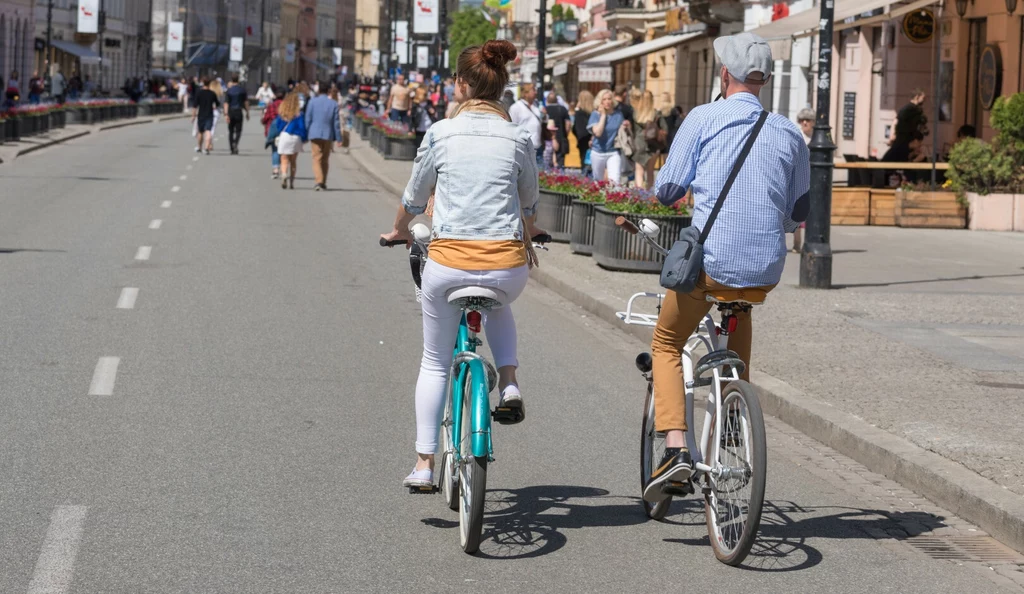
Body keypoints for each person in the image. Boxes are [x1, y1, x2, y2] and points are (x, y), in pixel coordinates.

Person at [646, 32, 810, 501]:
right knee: (741, 308)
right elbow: (798, 212)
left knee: (666, 341)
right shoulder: (787, 132)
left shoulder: (704, 118)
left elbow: (669, 190)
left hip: (711, 263)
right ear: (763, 80)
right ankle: (735, 415)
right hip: (764, 269)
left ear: (724, 75)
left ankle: (676, 446)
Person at [379, 39, 545, 489]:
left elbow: (413, 199)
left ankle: (424, 465)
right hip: (506, 267)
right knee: (499, 301)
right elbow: (529, 203)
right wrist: (529, 227)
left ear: (461, 86)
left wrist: (397, 232)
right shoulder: (518, 137)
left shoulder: (440, 133)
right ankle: (508, 381)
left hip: (448, 263)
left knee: (434, 361)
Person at [304, 82, 342, 191]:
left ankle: (319, 181)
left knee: (316, 158)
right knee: (325, 159)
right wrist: (339, 138)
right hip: (328, 134)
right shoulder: (333, 104)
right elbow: (336, 123)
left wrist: (306, 132)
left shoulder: (312, 102)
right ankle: (323, 181)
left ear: (318, 90)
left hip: (314, 133)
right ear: (329, 91)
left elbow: (308, 118)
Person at [587, 89, 628, 184]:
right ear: (600, 101)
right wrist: (603, 115)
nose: (607, 102)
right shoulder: (595, 114)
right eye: (604, 99)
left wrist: (625, 126)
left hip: (613, 151)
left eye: (609, 99)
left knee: (615, 180)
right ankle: (599, 198)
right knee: (598, 181)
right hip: (598, 151)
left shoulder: (618, 114)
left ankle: (614, 197)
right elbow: (598, 133)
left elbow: (621, 131)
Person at [632, 90, 669, 190]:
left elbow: (633, 130)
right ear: (652, 99)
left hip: (639, 144)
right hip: (653, 144)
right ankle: (648, 195)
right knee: (650, 171)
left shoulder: (636, 114)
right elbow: (665, 129)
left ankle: (639, 194)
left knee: (639, 171)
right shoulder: (656, 114)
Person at [275, 92, 307, 189]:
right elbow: (302, 127)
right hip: (296, 137)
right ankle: (292, 181)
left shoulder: (282, 112)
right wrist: (304, 138)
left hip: (285, 136)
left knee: (284, 158)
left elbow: (278, 126)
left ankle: (284, 174)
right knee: (293, 160)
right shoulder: (299, 114)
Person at [509, 83, 544, 167]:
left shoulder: (537, 106)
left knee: (539, 175)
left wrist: (544, 115)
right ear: (525, 93)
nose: (536, 92)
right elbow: (511, 127)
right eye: (533, 90)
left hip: (538, 147)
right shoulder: (516, 107)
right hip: (524, 148)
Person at [191, 77, 220, 155]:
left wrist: (193, 116)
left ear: (203, 83)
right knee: (208, 131)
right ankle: (206, 148)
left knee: (200, 132)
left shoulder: (199, 93)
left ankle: (199, 147)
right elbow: (217, 104)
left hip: (201, 115)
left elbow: (195, 106)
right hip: (209, 115)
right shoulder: (212, 93)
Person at [263, 88, 286, 178]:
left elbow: (266, 118)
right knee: (284, 150)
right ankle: (283, 169)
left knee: (275, 150)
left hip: (273, 129)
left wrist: (264, 121)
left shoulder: (271, 105)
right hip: (285, 129)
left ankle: (275, 170)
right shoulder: (286, 105)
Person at [224, 75, 250, 155]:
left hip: (231, 111)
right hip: (239, 111)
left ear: (231, 80)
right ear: (238, 80)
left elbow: (226, 103)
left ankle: (232, 148)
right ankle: (235, 142)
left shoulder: (229, 91)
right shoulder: (242, 90)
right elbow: (245, 102)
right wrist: (247, 112)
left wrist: (226, 114)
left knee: (231, 130)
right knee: (238, 130)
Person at [545, 90, 570, 169]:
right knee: (560, 163)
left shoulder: (545, 109)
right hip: (560, 137)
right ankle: (559, 178)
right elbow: (568, 124)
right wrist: (565, 134)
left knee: (547, 162)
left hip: (547, 138)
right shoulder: (563, 109)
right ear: (556, 100)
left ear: (547, 100)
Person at [574, 90, 594, 174]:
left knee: (585, 166)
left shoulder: (579, 113)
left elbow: (576, 129)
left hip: (584, 143)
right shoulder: (594, 113)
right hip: (594, 142)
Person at [208, 78, 226, 150]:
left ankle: (209, 142)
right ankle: (209, 142)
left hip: (208, 111)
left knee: (208, 128)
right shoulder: (220, 93)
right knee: (212, 128)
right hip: (216, 111)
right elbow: (222, 104)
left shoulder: (209, 92)